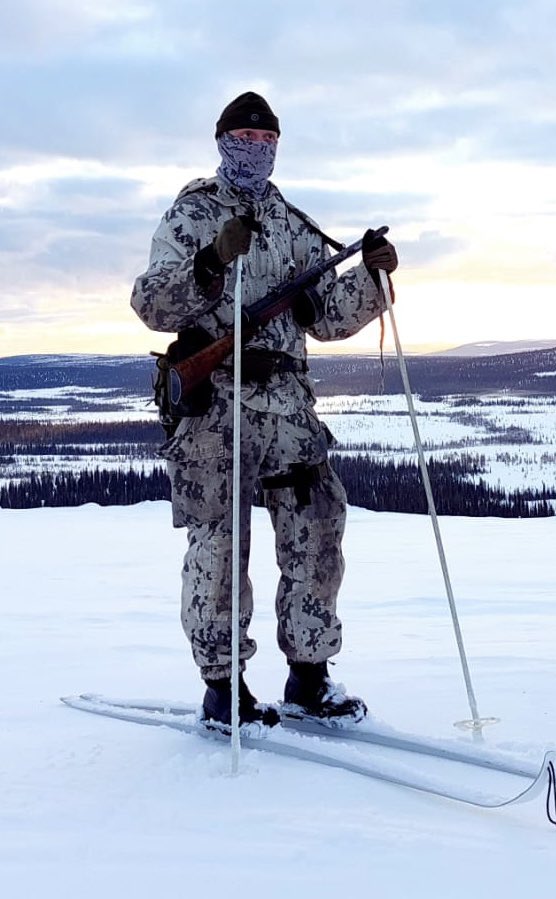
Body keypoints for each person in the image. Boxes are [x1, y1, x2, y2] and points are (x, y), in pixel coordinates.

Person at [131, 92, 398, 729]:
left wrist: (371, 279)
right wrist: (211, 261)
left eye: (266, 140)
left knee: (318, 527)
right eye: (244, 139)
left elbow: (328, 318)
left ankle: (310, 675)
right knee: (221, 543)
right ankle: (224, 687)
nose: (255, 149)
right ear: (222, 141)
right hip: (218, 404)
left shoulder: (293, 224)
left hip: (288, 402)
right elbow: (152, 305)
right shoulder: (193, 213)